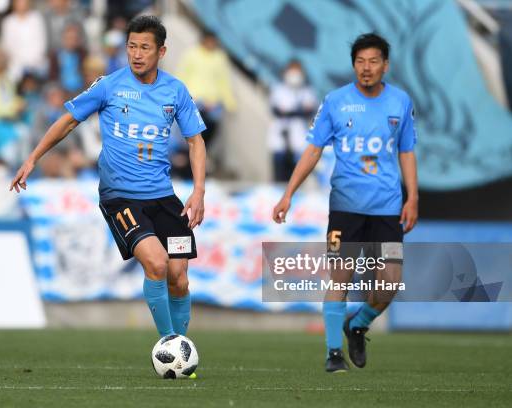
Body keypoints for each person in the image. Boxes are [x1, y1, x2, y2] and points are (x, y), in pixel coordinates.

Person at [10, 16, 207, 360]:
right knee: (157, 264)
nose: (136, 54)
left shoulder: (175, 91)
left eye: (144, 47)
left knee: (179, 277)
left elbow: (195, 141)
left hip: (163, 196)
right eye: (131, 46)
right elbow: (68, 121)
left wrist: (199, 190)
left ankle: (179, 348)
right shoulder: (109, 86)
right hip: (120, 197)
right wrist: (32, 159)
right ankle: (170, 345)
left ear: (161, 51)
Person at [272, 33, 418, 373]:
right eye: (360, 62)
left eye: (373, 62)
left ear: (385, 65)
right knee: (340, 278)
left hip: (387, 208)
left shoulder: (401, 102)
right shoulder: (335, 101)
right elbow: (312, 149)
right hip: (345, 207)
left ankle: (357, 324)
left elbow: (407, 151)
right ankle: (333, 354)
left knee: (390, 284)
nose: (366, 69)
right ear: (354, 65)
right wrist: (288, 192)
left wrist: (413, 196)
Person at [176, 30, 236, 150]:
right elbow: (182, 75)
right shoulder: (192, 54)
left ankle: (200, 154)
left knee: (211, 128)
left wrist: (229, 102)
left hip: (213, 101)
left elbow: (224, 82)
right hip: (195, 99)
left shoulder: (219, 57)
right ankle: (185, 152)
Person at [268, 60, 318, 181]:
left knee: (296, 181)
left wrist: (289, 112)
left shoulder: (308, 92)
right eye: (292, 71)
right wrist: (297, 112)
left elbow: (310, 112)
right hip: (279, 142)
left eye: (298, 71)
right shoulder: (278, 90)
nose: (294, 75)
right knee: (279, 180)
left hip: (299, 143)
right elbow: (276, 110)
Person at [0, 0, 47, 82]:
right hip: (15, 65)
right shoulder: (8, 22)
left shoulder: (36, 18)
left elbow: (41, 43)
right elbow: (7, 46)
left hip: (36, 63)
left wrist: (32, 62)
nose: (22, 4)